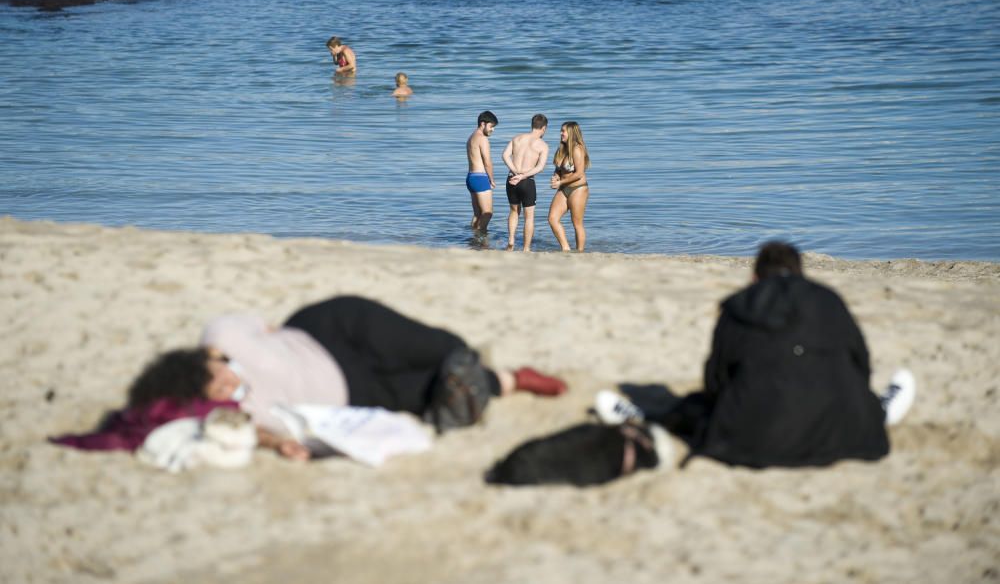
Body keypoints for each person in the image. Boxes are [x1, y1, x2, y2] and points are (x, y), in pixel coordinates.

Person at [54, 296, 567, 461]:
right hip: (356, 391)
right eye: (216, 394)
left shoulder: (221, 339)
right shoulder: (235, 412)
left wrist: (229, 353)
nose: (227, 387)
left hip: (332, 330)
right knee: (431, 395)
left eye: (217, 378)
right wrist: (280, 447)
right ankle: (512, 378)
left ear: (202, 362)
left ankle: (469, 359)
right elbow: (264, 434)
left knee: (444, 349)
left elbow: (262, 325)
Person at [595, 241, 916, 469]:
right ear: (801, 274)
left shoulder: (740, 305)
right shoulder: (828, 300)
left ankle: (642, 418)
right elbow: (861, 365)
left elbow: (715, 381)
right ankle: (878, 413)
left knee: (693, 408)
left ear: (755, 278)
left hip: (751, 438)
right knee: (854, 396)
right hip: (842, 434)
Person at [501, 114, 550, 251]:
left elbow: (505, 155)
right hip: (527, 181)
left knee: (513, 211)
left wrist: (515, 171)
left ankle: (511, 240)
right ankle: (526, 248)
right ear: (544, 128)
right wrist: (522, 176)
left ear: (532, 125)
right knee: (529, 217)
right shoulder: (543, 145)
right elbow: (539, 167)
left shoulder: (517, 138)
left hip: (511, 179)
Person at [548, 121, 591, 252]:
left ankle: (580, 252)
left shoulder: (577, 149)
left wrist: (560, 182)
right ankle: (566, 248)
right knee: (552, 219)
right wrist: (556, 176)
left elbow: (579, 173)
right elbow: (558, 169)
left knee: (576, 223)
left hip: (578, 189)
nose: (561, 133)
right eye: (561, 131)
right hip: (563, 189)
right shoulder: (562, 149)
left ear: (571, 133)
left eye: (563, 131)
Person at [466, 111, 498, 233]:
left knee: (477, 214)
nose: (492, 130)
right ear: (482, 124)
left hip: (471, 177)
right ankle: (480, 236)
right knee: (488, 213)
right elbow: (487, 162)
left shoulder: (471, 137)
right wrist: (491, 179)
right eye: (491, 126)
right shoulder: (482, 139)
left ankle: (473, 236)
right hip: (480, 178)